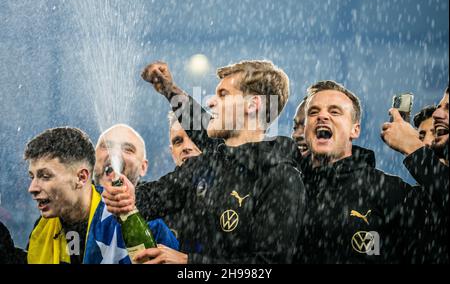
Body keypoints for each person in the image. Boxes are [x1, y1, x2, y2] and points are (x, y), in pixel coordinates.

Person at [103, 60, 305, 264]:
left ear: (252, 105)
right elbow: (156, 195)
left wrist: (189, 263)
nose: (210, 102)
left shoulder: (281, 177)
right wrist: (128, 195)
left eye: (223, 95)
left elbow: (267, 266)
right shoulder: (207, 164)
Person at [295, 80, 413, 263]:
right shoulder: (287, 184)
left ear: (355, 130)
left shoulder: (387, 189)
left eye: (334, 111)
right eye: (313, 112)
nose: (322, 116)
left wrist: (414, 149)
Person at [25, 127, 177, 264]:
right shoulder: (42, 229)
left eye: (45, 176)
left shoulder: (150, 220)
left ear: (82, 177)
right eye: (106, 146)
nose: (32, 188)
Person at [381, 86, 449, 263]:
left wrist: (412, 146)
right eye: (420, 136)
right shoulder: (413, 199)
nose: (438, 114)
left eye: (448, 108)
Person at [93, 123, 179, 250]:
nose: (114, 154)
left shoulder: (161, 217)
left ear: (143, 167)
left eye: (127, 149)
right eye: (107, 146)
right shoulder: (66, 206)